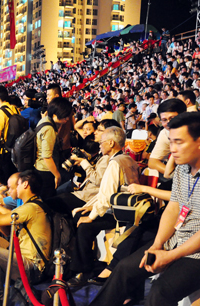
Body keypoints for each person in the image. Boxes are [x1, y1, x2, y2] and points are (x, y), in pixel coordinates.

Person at [89, 112, 200, 306]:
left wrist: (171, 255)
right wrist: (157, 246)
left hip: (196, 251)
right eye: (171, 142)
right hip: (177, 239)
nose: (172, 150)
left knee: (161, 290)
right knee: (124, 268)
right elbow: (173, 208)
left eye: (179, 142)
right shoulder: (183, 168)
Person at [67, 127, 140, 287]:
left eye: (101, 142)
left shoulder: (115, 163)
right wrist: (89, 207)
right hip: (127, 210)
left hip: (120, 215)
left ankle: (83, 271)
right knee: (81, 215)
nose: (99, 145)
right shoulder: (128, 159)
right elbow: (105, 193)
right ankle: (85, 265)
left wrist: (91, 215)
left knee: (84, 225)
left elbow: (106, 195)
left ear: (111, 143)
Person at [0, 170, 52, 306]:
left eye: (17, 185)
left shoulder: (31, 207)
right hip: (20, 255)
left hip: (32, 267)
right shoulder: (29, 205)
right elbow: (6, 231)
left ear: (25, 185)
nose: (14, 188)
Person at [34, 97, 73, 201]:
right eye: (65, 116)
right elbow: (47, 157)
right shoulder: (49, 129)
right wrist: (57, 175)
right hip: (45, 171)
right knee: (48, 200)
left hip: (40, 167)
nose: (67, 119)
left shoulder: (45, 120)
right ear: (55, 115)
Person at [148, 99, 187, 176]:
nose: (169, 123)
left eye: (172, 118)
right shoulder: (165, 133)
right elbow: (153, 162)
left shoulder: (195, 130)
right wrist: (176, 176)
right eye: (164, 120)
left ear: (184, 116)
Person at [0, 86, 19, 177]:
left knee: (6, 178)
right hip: (16, 149)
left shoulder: (0, 112)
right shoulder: (15, 109)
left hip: (5, 151)